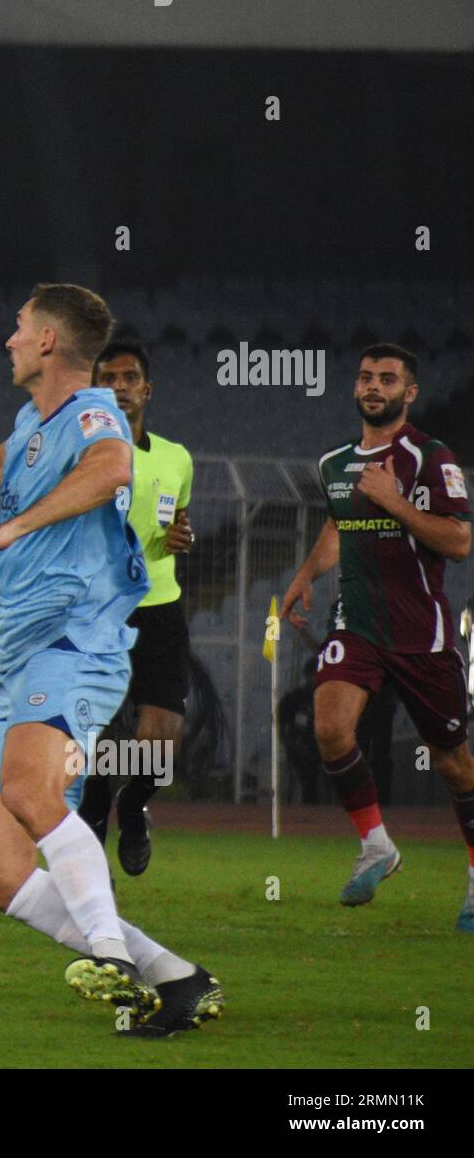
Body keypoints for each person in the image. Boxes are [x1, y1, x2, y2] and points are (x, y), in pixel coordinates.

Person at [0, 284, 223, 1036]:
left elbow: (111, 469)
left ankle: (111, 956)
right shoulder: (34, 419)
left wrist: (11, 529)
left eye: (19, 326)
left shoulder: (95, 410)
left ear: (48, 343)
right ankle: (178, 977)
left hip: (78, 641)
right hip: (21, 664)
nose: (6, 338)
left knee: (35, 793)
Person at [280, 344, 473, 928]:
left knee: (453, 762)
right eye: (366, 377)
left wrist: (395, 504)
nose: (374, 386)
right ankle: (376, 846)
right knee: (331, 727)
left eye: (387, 379)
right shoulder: (334, 464)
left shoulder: (432, 458)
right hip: (357, 623)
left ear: (408, 393)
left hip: (422, 633)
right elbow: (341, 524)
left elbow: (460, 541)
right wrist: (304, 575)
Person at [75, 341, 195, 875]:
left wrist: (181, 535)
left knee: (159, 741)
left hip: (160, 607)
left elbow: (174, 520)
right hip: (101, 609)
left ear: (147, 389)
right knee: (100, 732)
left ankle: (133, 802)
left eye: (130, 378)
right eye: (110, 378)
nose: (121, 386)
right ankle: (96, 815)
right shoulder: (78, 454)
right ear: (95, 389)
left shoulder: (177, 458)